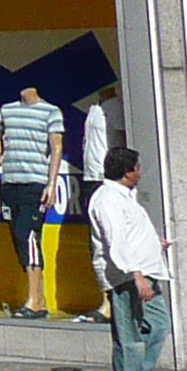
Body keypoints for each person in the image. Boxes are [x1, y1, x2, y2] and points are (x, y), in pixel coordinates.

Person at [86, 146, 171, 371]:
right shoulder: (107, 199)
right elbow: (116, 242)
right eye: (137, 167)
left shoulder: (124, 197)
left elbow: (131, 233)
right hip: (127, 277)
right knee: (130, 335)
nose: (141, 171)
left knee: (158, 325)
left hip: (146, 272)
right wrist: (137, 277)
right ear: (127, 171)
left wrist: (155, 243)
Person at [0, 82, 63, 321]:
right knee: (19, 239)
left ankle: (34, 300)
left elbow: (56, 148)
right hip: (9, 182)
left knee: (29, 235)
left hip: (35, 182)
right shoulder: (7, 109)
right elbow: (0, 137)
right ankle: (38, 299)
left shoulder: (51, 111)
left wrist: (51, 184)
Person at [68, 86, 118, 321]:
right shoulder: (95, 108)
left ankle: (112, 302)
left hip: (105, 179)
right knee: (95, 241)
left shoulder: (115, 107)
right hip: (91, 178)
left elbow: (123, 141)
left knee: (106, 242)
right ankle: (105, 299)